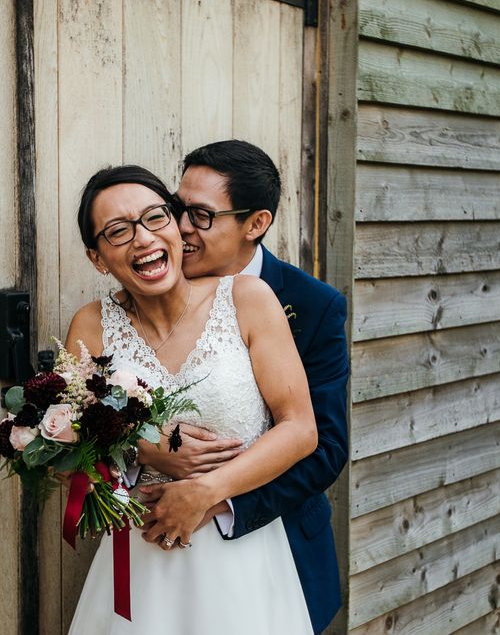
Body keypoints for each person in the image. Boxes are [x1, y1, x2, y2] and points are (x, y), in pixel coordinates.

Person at [66, 164, 318, 634]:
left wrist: (207, 491)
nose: (142, 238)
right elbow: (74, 456)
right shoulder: (91, 326)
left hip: (240, 555)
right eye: (118, 231)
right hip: (141, 555)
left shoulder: (246, 299)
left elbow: (301, 429)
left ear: (176, 229)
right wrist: (144, 445)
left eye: (155, 218)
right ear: (98, 258)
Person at [136, 140, 349, 634]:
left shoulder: (312, 304)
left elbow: (326, 447)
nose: (182, 228)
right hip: (156, 548)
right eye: (177, 208)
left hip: (274, 549)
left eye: (202, 215)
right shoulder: (147, 289)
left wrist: (215, 501)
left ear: (256, 224)